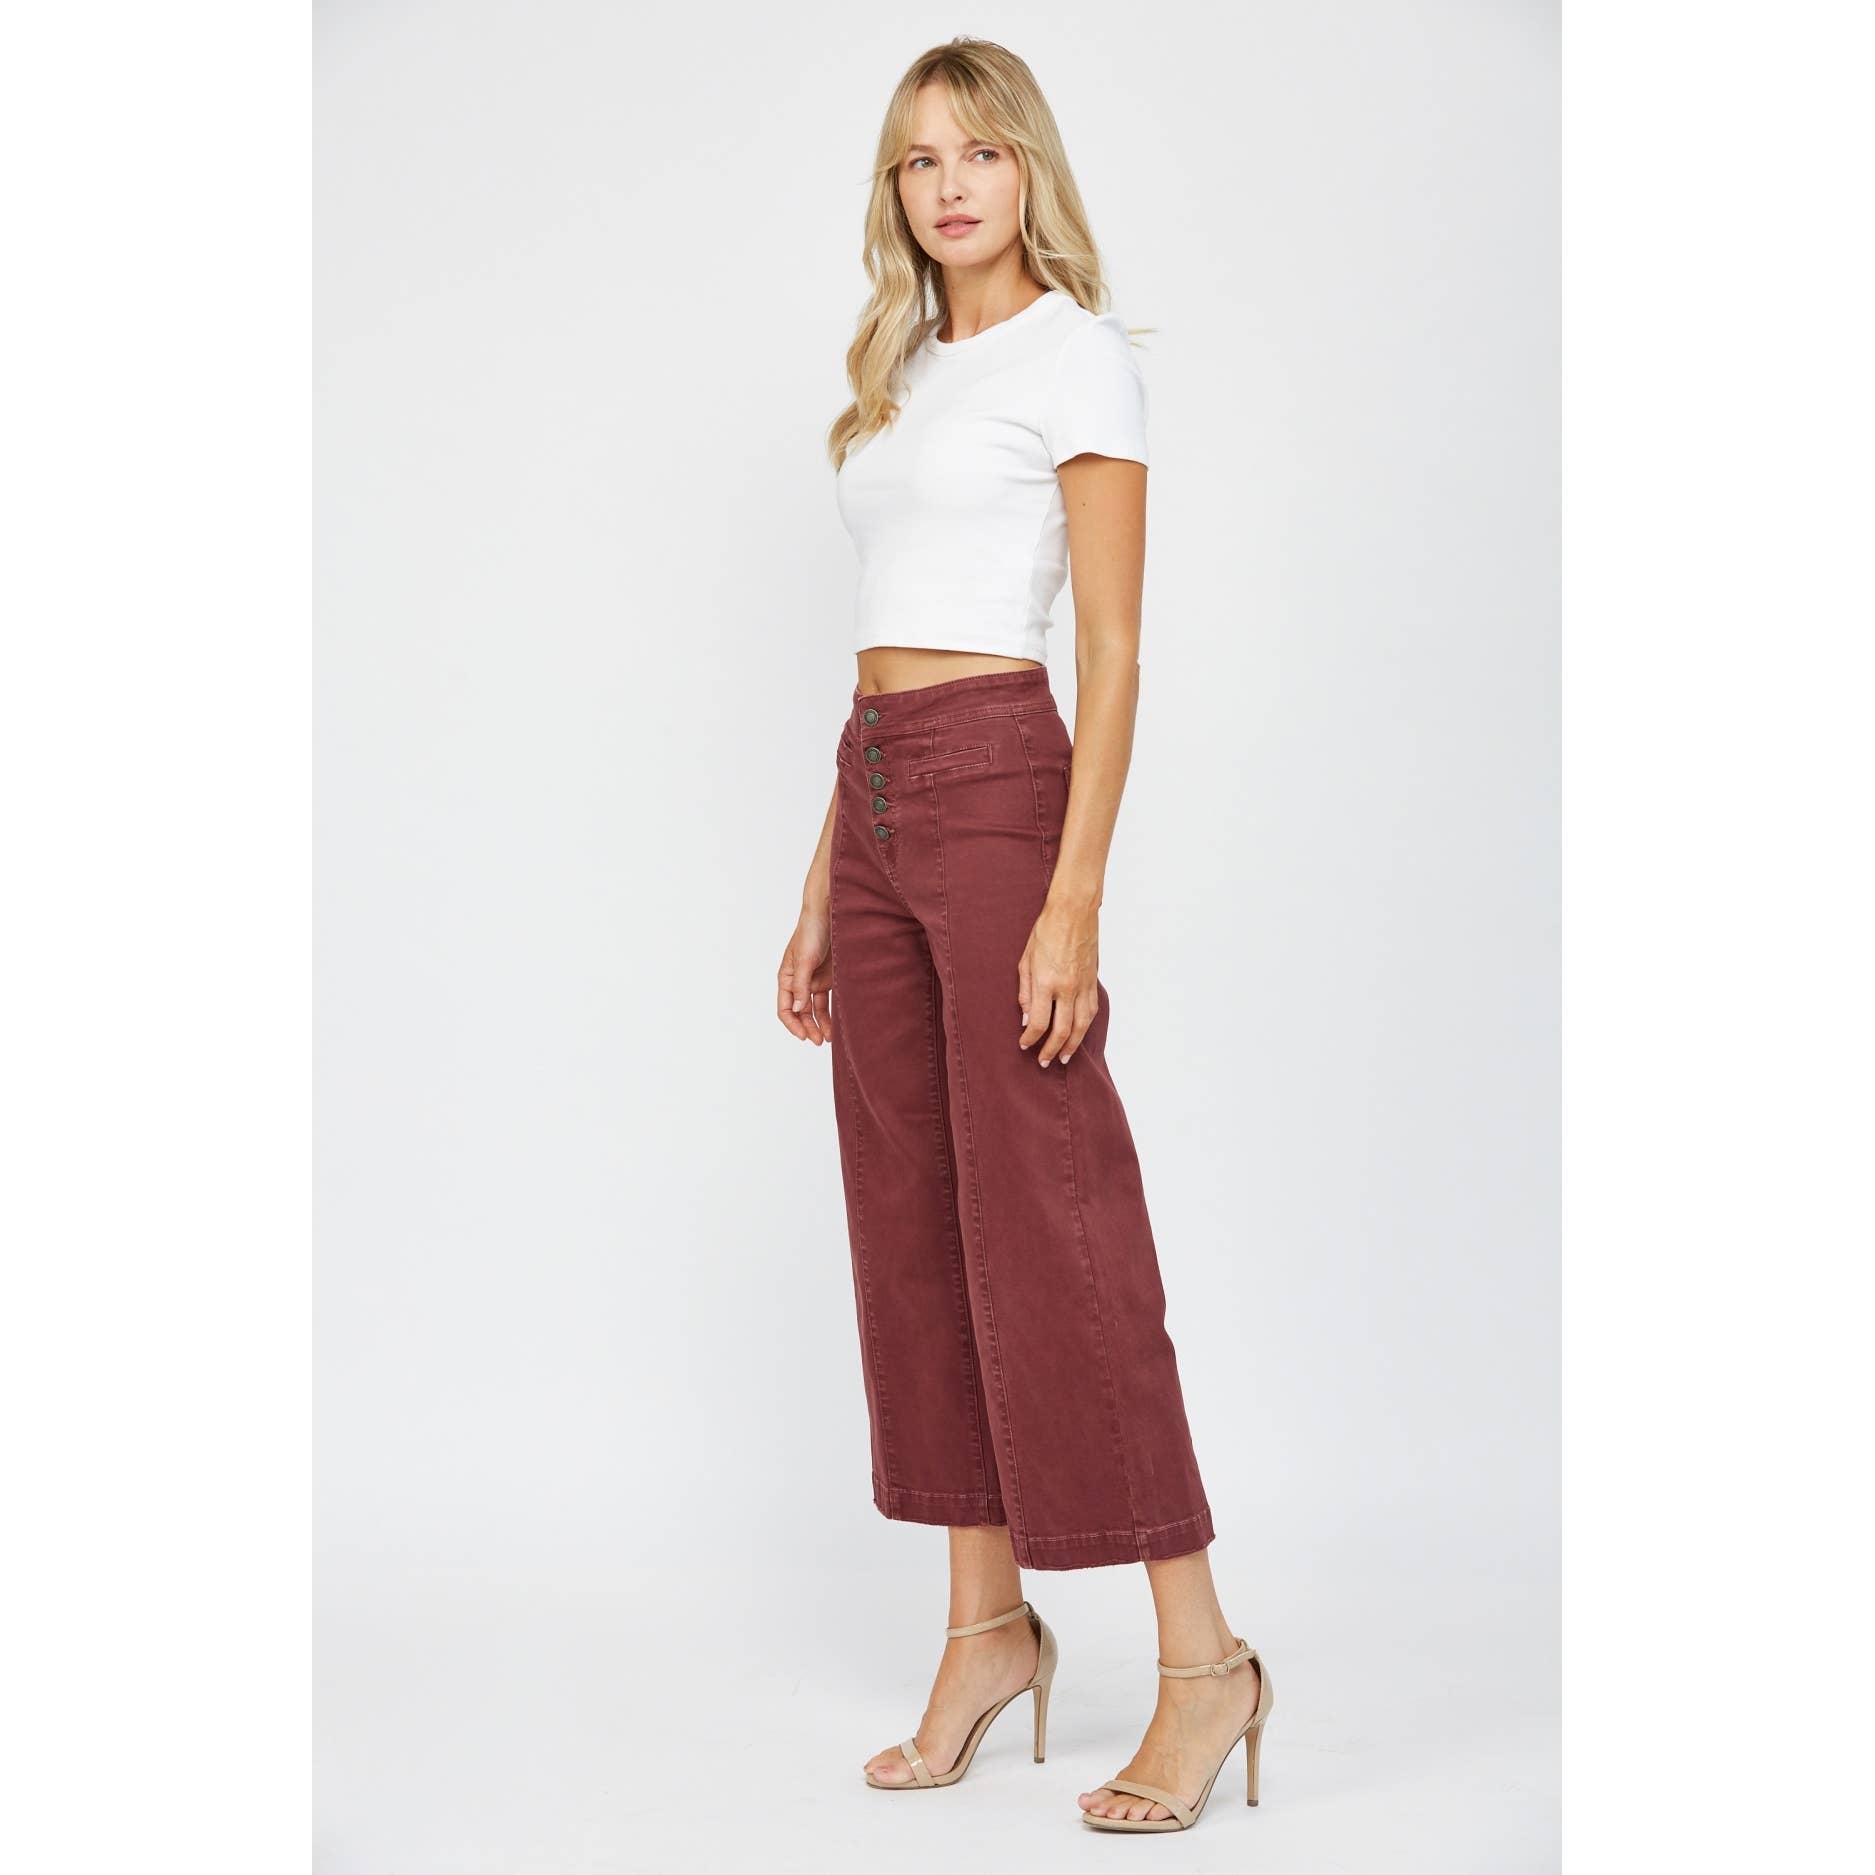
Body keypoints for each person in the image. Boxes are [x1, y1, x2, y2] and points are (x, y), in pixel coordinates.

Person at [775, 38, 1272, 1835]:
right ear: (897, 193)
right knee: (914, 1227)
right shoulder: (907, 369)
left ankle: (1204, 1663)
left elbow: (1114, 651)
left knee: (1058, 1221)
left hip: (1000, 792)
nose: (949, 186)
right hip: (878, 792)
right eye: (919, 161)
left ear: (1026, 167)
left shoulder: (1079, 356)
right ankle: (986, 1628)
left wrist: (1074, 895)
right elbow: (880, 629)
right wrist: (823, 881)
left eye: (977, 152)